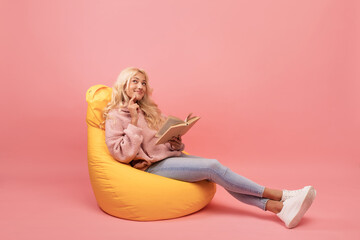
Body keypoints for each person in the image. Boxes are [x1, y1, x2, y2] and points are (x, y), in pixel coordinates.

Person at [103, 67, 316, 228]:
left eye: (143, 83)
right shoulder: (115, 115)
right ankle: (282, 195)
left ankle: (278, 209)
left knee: (216, 172)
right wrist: (131, 120)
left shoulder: (149, 111)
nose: (140, 86)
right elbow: (122, 154)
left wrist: (175, 139)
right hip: (150, 167)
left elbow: (160, 142)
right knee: (213, 167)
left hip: (168, 158)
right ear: (124, 85)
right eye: (135, 82)